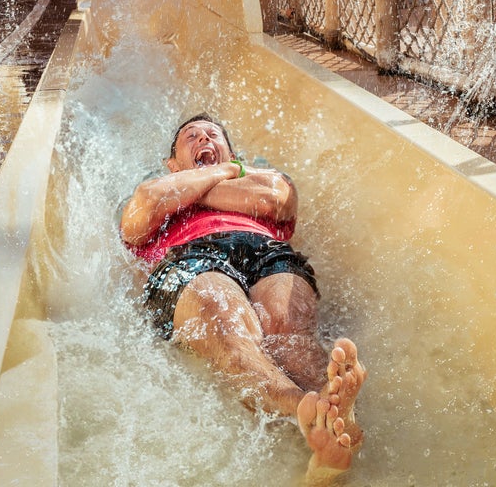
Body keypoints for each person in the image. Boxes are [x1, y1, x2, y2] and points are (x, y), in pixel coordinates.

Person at [120, 114, 368, 481]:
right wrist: (226, 174)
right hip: (190, 256)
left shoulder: (258, 177)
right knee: (226, 319)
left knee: (287, 328)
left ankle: (334, 417)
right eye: (192, 136)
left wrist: (184, 191)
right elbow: (144, 208)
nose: (203, 138)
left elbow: (277, 197)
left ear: (233, 154)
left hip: (265, 250)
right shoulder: (156, 187)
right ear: (172, 165)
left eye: (212, 135)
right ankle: (303, 409)